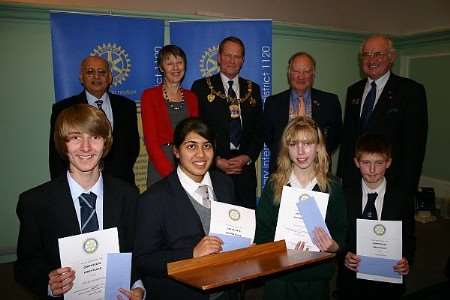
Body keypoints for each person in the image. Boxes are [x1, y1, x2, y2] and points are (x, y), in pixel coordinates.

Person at [15, 104, 144, 299]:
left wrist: (139, 287)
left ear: (105, 142)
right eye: (75, 137)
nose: (86, 147)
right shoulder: (35, 203)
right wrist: (48, 282)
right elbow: (26, 265)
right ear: (62, 143)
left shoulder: (129, 196)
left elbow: (138, 254)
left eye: (94, 137)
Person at [134, 117, 238, 300]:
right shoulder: (153, 199)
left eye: (207, 146)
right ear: (176, 151)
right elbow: (144, 260)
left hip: (226, 291)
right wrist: (191, 254)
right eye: (191, 146)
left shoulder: (224, 184)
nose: (201, 154)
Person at [255, 116, 347, 300]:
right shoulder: (274, 185)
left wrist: (333, 246)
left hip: (316, 276)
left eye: (307, 143)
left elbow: (342, 232)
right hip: (279, 276)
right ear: (286, 148)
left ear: (318, 146)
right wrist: (280, 250)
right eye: (294, 143)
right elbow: (261, 232)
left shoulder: (333, 186)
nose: (301, 151)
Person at [337, 34, 428, 199]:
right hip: (355, 181)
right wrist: (342, 176)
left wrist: (407, 187)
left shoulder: (410, 91)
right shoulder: (354, 91)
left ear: (391, 57)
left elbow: (415, 145)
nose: (371, 59)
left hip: (394, 182)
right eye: (366, 54)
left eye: (378, 54)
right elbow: (348, 138)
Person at [338, 133, 415, 299]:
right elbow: (337, 235)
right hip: (352, 281)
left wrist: (406, 260)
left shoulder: (401, 199)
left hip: (388, 283)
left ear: (388, 163)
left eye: (379, 163)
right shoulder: (345, 197)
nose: (372, 170)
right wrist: (344, 254)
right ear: (357, 162)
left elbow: (409, 237)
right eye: (366, 163)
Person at [191, 36, 264, 209]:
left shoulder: (253, 89)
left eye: (237, 56)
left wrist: (246, 157)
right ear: (219, 57)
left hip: (244, 170)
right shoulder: (201, 87)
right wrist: (216, 160)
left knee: (246, 225)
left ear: (243, 60)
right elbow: (196, 131)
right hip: (213, 169)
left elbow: (260, 130)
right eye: (227, 55)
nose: (232, 61)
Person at [49, 55, 140, 185]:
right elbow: (56, 154)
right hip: (79, 183)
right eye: (90, 72)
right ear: (81, 77)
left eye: (101, 72)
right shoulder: (63, 108)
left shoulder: (127, 106)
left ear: (109, 77)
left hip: (120, 184)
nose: (96, 77)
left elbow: (133, 148)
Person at [264, 51, 342, 173]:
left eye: (306, 72)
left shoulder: (330, 102)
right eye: (296, 71)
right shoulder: (272, 103)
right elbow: (269, 137)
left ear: (313, 74)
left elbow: (335, 137)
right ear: (289, 74)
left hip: (318, 170)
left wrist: (316, 155)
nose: (301, 77)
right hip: (282, 171)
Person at [141, 45, 198, 187]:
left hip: (188, 161)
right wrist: (173, 175)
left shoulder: (192, 97)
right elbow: (151, 142)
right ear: (161, 68)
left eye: (179, 62)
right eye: (169, 63)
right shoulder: (149, 96)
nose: (175, 68)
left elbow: (196, 135)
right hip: (160, 164)